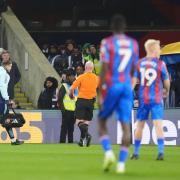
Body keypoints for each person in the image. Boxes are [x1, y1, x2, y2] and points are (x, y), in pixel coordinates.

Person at [98, 14, 139, 173]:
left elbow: (105, 68)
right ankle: (121, 164)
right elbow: (135, 68)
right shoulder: (133, 44)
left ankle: (108, 152)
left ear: (111, 28)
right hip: (127, 87)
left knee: (101, 121)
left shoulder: (107, 42)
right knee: (125, 125)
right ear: (125, 27)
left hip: (112, 86)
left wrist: (101, 91)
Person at [131, 39, 170, 161]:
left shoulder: (139, 63)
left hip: (143, 99)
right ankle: (160, 152)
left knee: (140, 126)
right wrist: (166, 90)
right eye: (158, 48)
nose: (159, 50)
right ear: (153, 49)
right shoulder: (160, 64)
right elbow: (167, 81)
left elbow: (133, 81)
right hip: (157, 98)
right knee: (158, 124)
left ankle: (136, 153)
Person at [69, 61, 99, 147]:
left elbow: (71, 88)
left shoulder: (81, 77)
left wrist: (71, 96)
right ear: (92, 68)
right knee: (86, 122)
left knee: (78, 121)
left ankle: (87, 135)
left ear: (85, 68)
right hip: (91, 102)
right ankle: (82, 141)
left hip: (82, 100)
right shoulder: (97, 78)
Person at [0, 62, 24, 145]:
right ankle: (13, 140)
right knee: (6, 119)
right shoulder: (2, 72)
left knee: (6, 120)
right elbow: (2, 86)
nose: (11, 68)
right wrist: (6, 98)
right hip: (1, 100)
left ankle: (13, 140)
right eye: (10, 66)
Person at [58, 69, 77, 143]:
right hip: (66, 111)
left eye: (74, 76)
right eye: (72, 76)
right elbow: (60, 99)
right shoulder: (64, 86)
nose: (73, 78)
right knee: (64, 129)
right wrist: (63, 111)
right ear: (68, 77)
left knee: (71, 129)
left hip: (74, 111)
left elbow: (76, 99)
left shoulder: (76, 86)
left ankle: (70, 143)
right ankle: (62, 143)